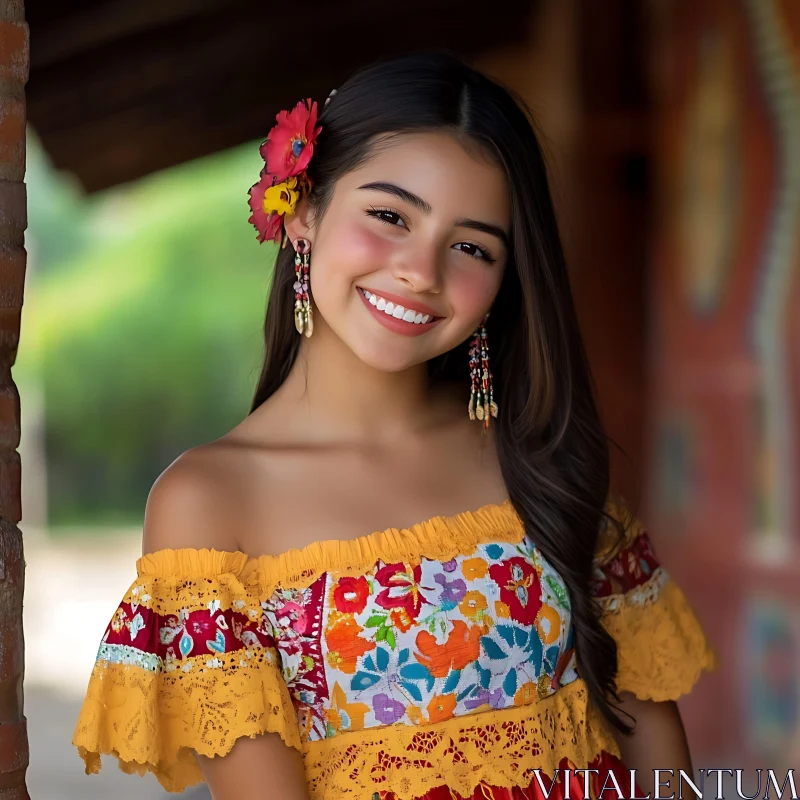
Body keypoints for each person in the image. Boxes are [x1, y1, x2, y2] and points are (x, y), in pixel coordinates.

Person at [72, 51, 717, 800]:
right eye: (389, 216)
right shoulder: (208, 504)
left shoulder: (538, 456)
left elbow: (652, 738)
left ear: (505, 283)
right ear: (303, 209)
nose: (421, 270)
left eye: (472, 246)